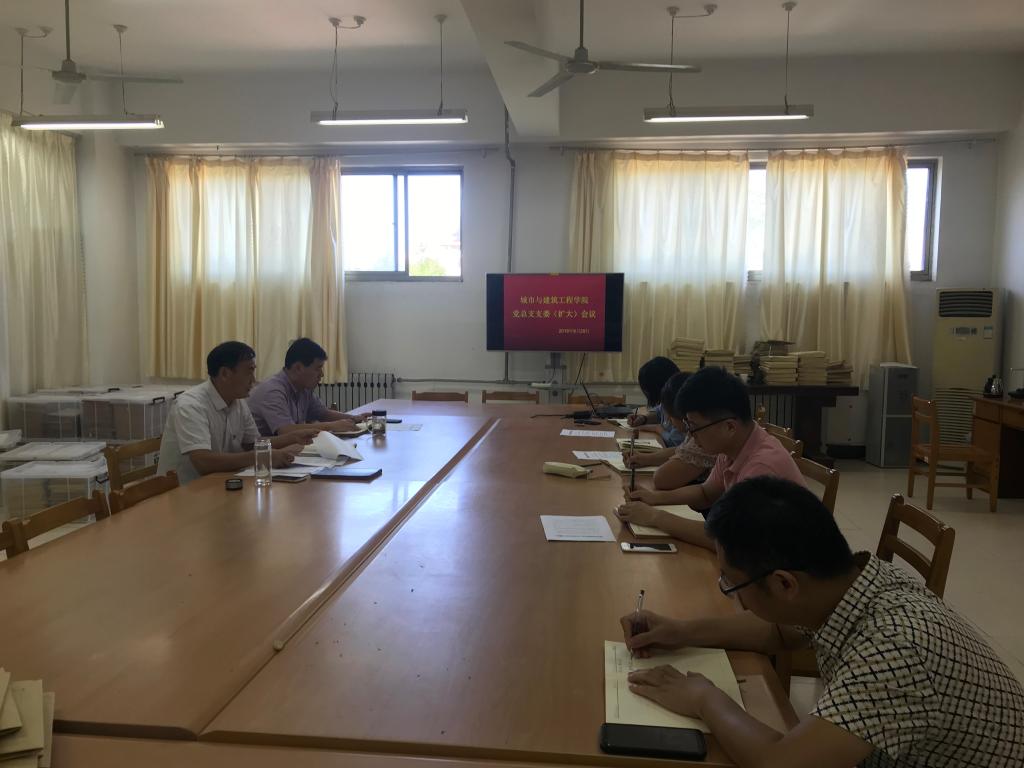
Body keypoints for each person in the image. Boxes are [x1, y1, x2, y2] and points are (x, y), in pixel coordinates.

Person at [620, 477, 1024, 768]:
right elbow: (777, 631)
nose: (730, 593)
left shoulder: (896, 649)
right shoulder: (853, 581)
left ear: (784, 584)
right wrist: (681, 630)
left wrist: (701, 697)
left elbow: (781, 763)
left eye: (731, 583)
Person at [615, 366, 804, 549]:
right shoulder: (733, 447)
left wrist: (655, 517)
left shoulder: (762, 467)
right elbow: (705, 493)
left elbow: (729, 540)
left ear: (729, 427)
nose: (691, 435)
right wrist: (654, 498)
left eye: (694, 426)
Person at [156, 341, 318, 485]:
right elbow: (203, 462)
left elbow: (252, 443)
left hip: (220, 483)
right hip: (185, 492)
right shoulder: (191, 405)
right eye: (249, 371)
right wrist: (264, 456)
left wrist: (292, 438)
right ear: (225, 374)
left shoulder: (238, 401)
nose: (253, 380)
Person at [624, 372, 716, 490]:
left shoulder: (704, 438)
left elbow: (661, 479)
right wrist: (645, 458)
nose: (668, 420)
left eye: (670, 416)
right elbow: (680, 449)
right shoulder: (695, 432)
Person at [247, 338, 358, 437]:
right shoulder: (272, 390)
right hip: (264, 451)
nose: (322, 374)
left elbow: (323, 414)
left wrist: (355, 418)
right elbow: (286, 430)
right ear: (298, 368)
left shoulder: (303, 388)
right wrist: (332, 426)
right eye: (318, 368)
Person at [626, 356, 687, 450]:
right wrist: (643, 418)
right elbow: (658, 412)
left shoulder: (678, 404)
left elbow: (675, 443)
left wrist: (658, 428)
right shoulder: (666, 399)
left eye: (648, 390)